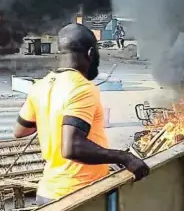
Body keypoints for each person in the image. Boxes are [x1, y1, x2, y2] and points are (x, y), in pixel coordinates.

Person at [14, 23, 149, 206]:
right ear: (90, 54)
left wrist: (51, 116)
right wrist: (123, 157)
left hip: (48, 193)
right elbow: (72, 148)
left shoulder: (41, 85)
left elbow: (21, 130)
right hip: (78, 195)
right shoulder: (82, 88)